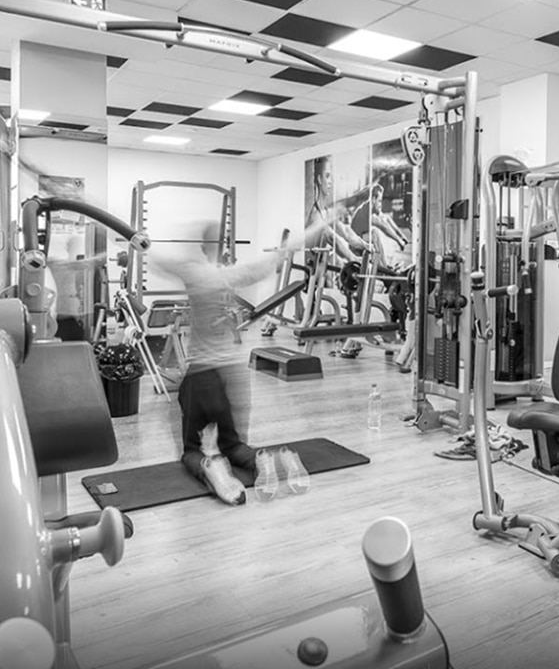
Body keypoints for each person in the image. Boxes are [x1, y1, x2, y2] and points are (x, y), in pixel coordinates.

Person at [156, 221, 317, 505]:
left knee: (191, 449)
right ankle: (260, 459)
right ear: (224, 245)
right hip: (233, 376)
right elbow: (281, 254)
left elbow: (155, 258)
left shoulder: (193, 273)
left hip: (201, 375)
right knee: (234, 444)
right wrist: (323, 222)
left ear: (204, 247)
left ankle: (212, 467)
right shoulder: (232, 275)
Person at [305, 155, 370, 265]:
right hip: (312, 272)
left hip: (320, 269)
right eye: (327, 176)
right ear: (320, 180)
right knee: (334, 260)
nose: (330, 181)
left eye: (331, 177)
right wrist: (353, 258)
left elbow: (345, 232)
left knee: (336, 261)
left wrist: (365, 245)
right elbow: (332, 238)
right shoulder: (315, 215)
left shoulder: (325, 212)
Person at [350, 182, 409, 272]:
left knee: (374, 233)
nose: (380, 204)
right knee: (374, 234)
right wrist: (399, 241)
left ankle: (384, 266)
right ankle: (382, 268)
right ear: (373, 199)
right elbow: (384, 227)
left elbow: (387, 219)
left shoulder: (372, 208)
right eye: (380, 201)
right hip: (355, 245)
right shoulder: (369, 212)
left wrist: (401, 235)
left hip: (361, 239)